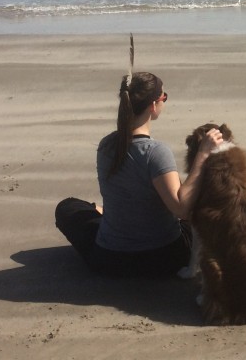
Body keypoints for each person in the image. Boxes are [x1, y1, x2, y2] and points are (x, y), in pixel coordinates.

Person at [55, 70, 222, 277]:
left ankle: (107, 213)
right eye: (164, 97)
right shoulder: (157, 152)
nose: (164, 101)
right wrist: (203, 154)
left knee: (67, 208)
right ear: (153, 106)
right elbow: (181, 209)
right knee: (195, 212)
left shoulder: (106, 145)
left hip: (109, 259)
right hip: (163, 259)